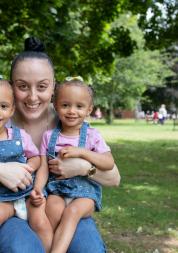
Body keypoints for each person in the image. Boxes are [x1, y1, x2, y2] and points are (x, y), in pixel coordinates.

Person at [0, 37, 120, 253]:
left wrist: (84, 168)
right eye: (22, 86)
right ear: (11, 86)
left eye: (42, 86)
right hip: (13, 209)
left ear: (54, 87)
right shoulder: (2, 123)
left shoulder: (70, 123)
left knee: (88, 249)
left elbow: (114, 178)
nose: (33, 96)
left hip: (65, 207)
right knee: (20, 248)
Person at [29, 78, 115, 252]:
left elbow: (109, 163)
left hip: (85, 194)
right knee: (52, 210)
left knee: (72, 213)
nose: (72, 111)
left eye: (79, 106)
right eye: (66, 105)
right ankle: (46, 247)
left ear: (89, 110)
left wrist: (82, 152)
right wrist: (38, 188)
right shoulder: (49, 136)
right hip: (57, 189)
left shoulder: (92, 135)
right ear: (55, 105)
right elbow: (44, 167)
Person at [0, 80, 40, 223]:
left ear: (12, 110)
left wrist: (27, 169)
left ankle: (14, 207)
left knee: (41, 224)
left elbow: (35, 157)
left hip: (17, 194)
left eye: (3, 106)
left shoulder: (20, 136)